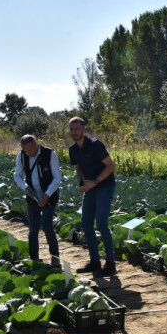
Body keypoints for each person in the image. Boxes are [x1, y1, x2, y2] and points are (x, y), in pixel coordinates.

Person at [68, 117, 117, 277]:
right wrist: (82, 181)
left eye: (77, 128)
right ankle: (94, 262)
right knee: (86, 223)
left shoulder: (95, 145)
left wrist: (94, 182)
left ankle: (110, 264)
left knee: (101, 222)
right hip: (89, 188)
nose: (74, 132)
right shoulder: (73, 149)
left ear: (83, 129)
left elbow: (111, 166)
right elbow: (78, 167)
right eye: (72, 129)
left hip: (104, 186)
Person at [14, 134, 62, 266]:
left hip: (49, 196)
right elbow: (17, 175)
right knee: (33, 228)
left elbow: (57, 178)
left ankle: (55, 258)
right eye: (26, 151)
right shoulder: (21, 156)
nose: (28, 153)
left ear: (36, 144)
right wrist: (25, 188)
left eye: (30, 150)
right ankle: (34, 258)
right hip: (32, 196)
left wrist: (46, 195)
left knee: (46, 225)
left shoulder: (50, 154)